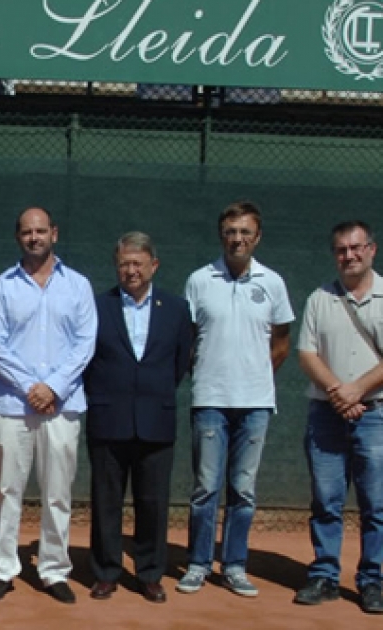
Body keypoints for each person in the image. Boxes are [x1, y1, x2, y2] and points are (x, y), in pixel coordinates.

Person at [178, 201, 294, 597]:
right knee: (205, 488)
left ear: (257, 237)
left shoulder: (273, 283)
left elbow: (281, 345)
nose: (238, 238)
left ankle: (234, 565)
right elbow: (189, 340)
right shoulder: (199, 280)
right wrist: (212, 376)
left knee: (243, 490)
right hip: (209, 400)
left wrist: (254, 378)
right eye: (231, 231)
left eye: (245, 232)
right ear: (221, 235)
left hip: (257, 404)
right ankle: (197, 563)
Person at [0, 208, 96, 604]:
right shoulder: (1, 287)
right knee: (6, 489)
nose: (35, 238)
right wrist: (32, 386)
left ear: (55, 234)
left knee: (58, 492)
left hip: (62, 407)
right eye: (27, 232)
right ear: (18, 237)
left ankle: (53, 569)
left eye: (41, 231)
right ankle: (2, 568)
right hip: (12, 405)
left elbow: (85, 343)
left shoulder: (78, 286)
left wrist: (53, 388)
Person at [84, 232, 193, 604]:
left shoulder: (177, 309)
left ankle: (149, 574)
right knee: (105, 501)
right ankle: (105, 573)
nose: (131, 271)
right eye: (124, 264)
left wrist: (151, 392)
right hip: (108, 419)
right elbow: (87, 360)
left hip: (156, 420)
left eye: (138, 264)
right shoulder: (97, 306)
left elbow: (180, 361)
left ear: (154, 266)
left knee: (153, 502)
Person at [294, 220, 383, 614]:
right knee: (326, 500)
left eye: (356, 248)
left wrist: (356, 390)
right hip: (326, 415)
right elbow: (307, 354)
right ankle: (325, 576)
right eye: (341, 250)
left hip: (376, 415)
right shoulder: (319, 298)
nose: (349, 255)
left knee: (376, 504)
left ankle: (372, 581)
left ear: (371, 250)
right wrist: (339, 393)